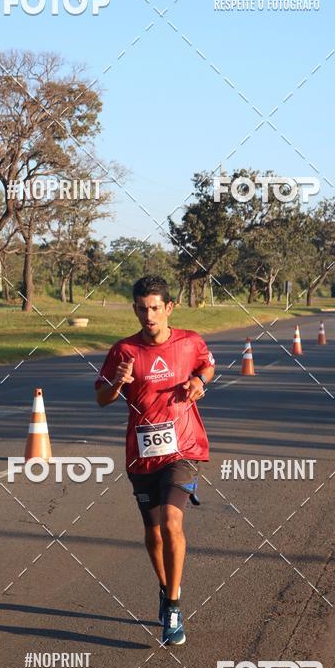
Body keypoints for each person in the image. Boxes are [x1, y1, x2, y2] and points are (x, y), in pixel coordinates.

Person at [95, 276, 215, 646]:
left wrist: (200, 383)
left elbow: (206, 367)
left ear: (169, 308)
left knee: (172, 521)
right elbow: (102, 399)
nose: (148, 315)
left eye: (155, 308)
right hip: (142, 455)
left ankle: (175, 607)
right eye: (142, 308)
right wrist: (117, 382)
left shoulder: (190, 341)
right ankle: (166, 589)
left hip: (183, 449)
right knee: (153, 533)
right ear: (134, 308)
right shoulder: (123, 351)